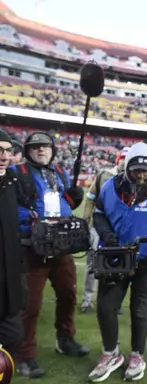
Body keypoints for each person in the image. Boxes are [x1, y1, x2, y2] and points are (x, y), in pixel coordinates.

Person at [88, 142, 147, 382]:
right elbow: (99, 215)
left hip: (146, 259)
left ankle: (137, 354)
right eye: (135, 170)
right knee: (106, 306)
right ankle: (111, 353)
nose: (140, 175)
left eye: (144, 171)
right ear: (126, 168)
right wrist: (107, 235)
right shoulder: (109, 187)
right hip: (115, 257)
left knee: (139, 308)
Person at [11, 131, 88, 378]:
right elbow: (13, 208)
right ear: (27, 151)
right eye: (35, 147)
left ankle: (65, 339)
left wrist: (72, 200)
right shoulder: (17, 174)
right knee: (30, 305)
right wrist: (34, 225)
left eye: (45, 146)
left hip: (62, 245)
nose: (41, 150)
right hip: (32, 248)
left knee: (68, 294)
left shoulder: (61, 172)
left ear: (52, 150)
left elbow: (62, 204)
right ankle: (24, 355)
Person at [80, 147, 129, 313]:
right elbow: (90, 199)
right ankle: (87, 300)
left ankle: (114, 302)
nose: (125, 160)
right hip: (99, 227)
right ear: (118, 159)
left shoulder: (134, 178)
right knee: (92, 265)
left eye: (129, 158)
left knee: (119, 267)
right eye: (123, 157)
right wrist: (87, 222)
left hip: (120, 231)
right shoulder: (104, 175)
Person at [0, 129, 23, 365]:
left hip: (8, 281)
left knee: (14, 336)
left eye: (7, 150)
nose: (4, 155)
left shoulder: (12, 184)